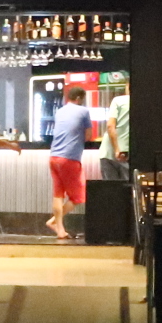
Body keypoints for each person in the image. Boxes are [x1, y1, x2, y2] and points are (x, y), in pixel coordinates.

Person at [46, 84, 93, 240]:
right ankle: (53, 222)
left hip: (54, 157)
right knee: (79, 197)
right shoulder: (84, 111)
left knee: (58, 194)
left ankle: (60, 230)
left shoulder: (60, 111)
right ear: (79, 98)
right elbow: (88, 136)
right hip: (70, 158)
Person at [99, 87, 132, 180]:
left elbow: (110, 126)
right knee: (128, 187)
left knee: (110, 187)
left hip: (108, 153)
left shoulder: (118, 100)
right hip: (127, 154)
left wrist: (117, 149)